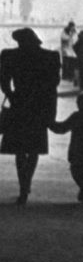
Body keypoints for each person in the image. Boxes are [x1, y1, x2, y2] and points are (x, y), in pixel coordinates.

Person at [0, 28, 61, 204]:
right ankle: (26, 183)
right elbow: (53, 86)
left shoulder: (10, 56)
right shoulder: (50, 57)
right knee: (34, 149)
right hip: (39, 106)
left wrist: (12, 95)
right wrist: (51, 112)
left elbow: (4, 82)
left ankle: (23, 186)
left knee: (19, 150)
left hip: (19, 105)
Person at [49, 90, 83, 203]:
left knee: (76, 171)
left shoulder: (77, 116)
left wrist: (50, 124)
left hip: (78, 151)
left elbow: (62, 128)